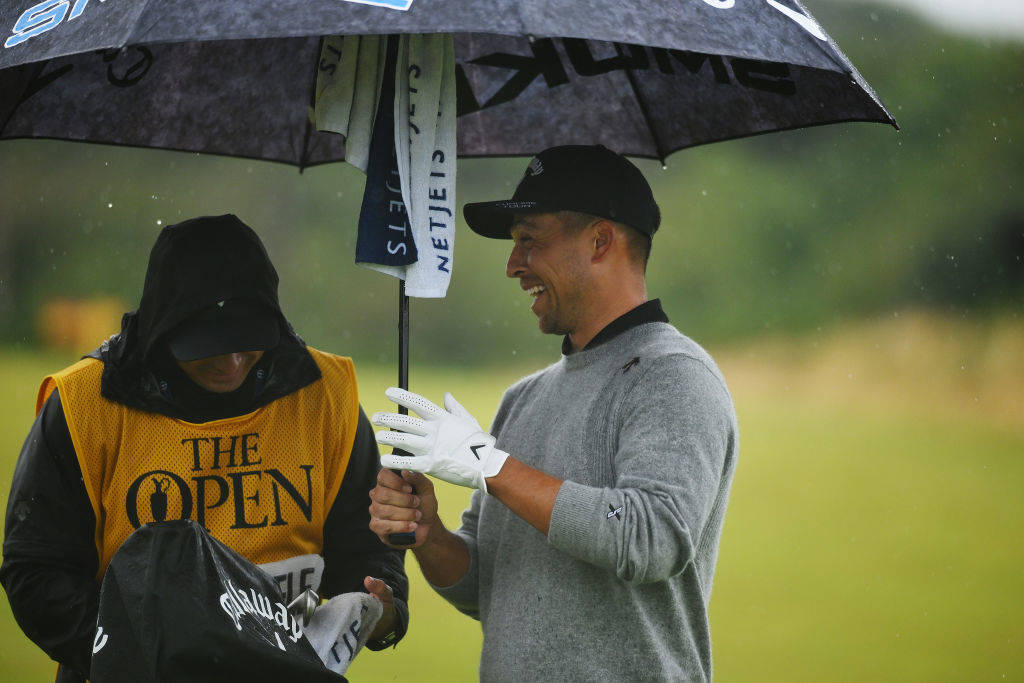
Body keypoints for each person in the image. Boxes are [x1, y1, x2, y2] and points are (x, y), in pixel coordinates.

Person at [367, 145, 739, 680]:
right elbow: (484, 587)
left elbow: (651, 537)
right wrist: (431, 534)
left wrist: (489, 464)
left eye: (529, 240)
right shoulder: (524, 397)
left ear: (600, 241)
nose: (513, 265)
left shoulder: (673, 375)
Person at [1, 214, 408, 682]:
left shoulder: (325, 394)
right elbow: (36, 573)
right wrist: (155, 654)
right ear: (162, 327)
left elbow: (368, 548)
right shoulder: (84, 404)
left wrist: (380, 608)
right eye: (210, 346)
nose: (232, 362)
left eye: (248, 342)